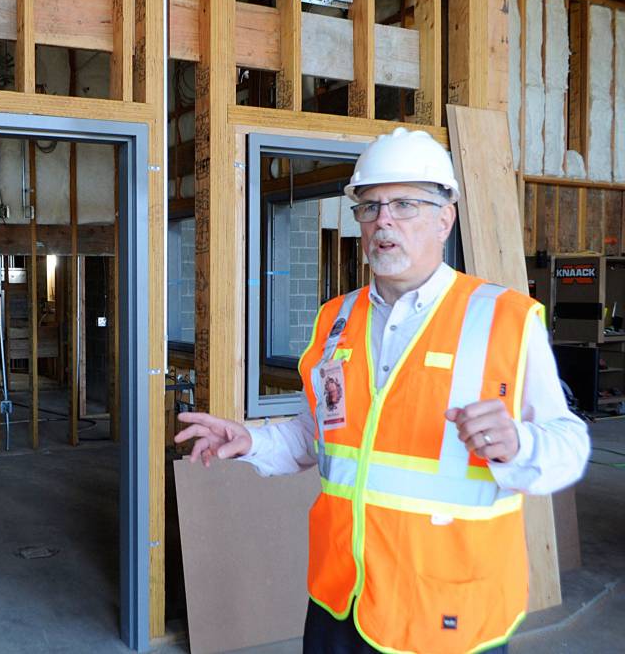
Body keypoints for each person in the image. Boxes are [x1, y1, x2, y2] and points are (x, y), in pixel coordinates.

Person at [174, 127, 590, 654]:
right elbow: (319, 436)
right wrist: (250, 440)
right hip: (341, 600)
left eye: (404, 205)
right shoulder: (336, 319)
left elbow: (568, 445)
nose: (383, 221)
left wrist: (518, 444)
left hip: (446, 613)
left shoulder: (502, 319)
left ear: (445, 219)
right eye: (369, 207)